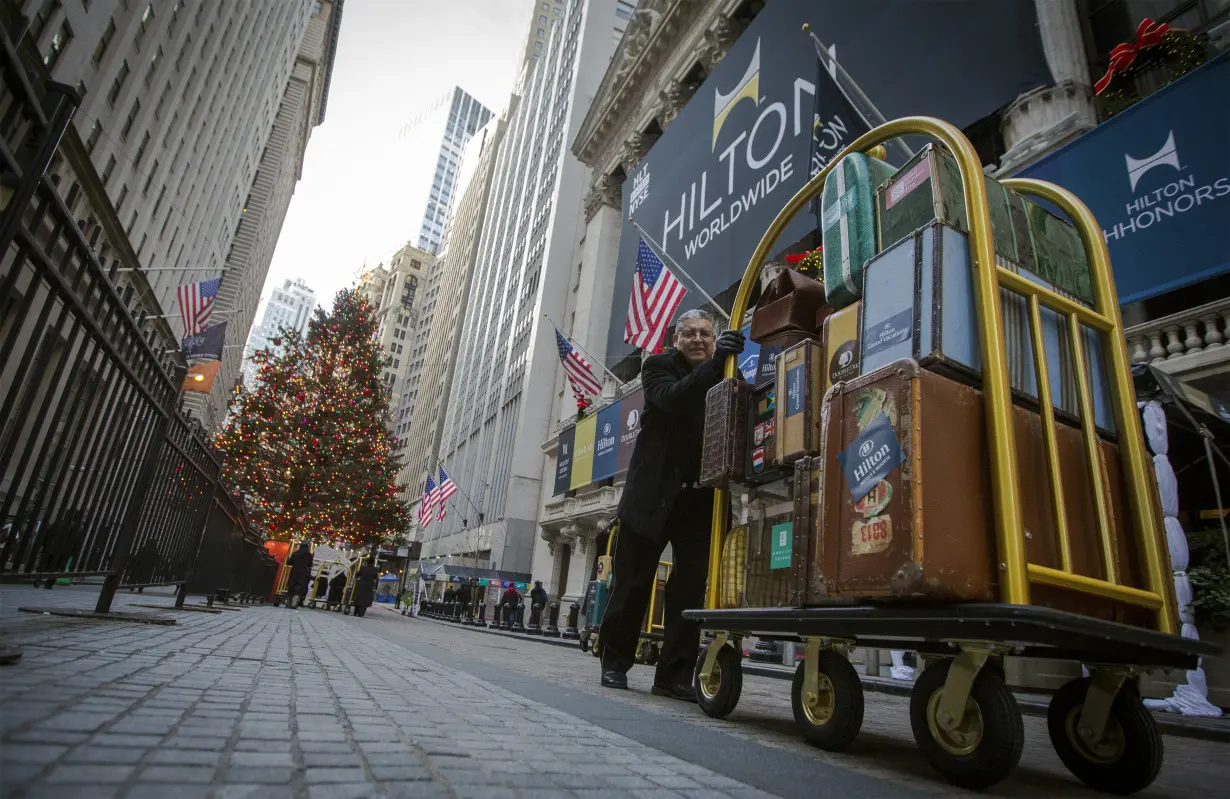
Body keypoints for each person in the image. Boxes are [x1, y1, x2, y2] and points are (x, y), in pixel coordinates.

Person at [599, 309, 744, 700]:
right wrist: (716, 363)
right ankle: (614, 663)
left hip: (701, 499)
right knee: (632, 584)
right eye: (690, 334)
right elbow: (674, 400)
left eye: (706, 334)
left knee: (690, 589)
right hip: (651, 497)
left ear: (715, 339)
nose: (698, 339)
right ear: (676, 340)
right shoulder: (659, 367)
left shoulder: (727, 372)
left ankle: (674, 676)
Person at [286, 542, 313, 609]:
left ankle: (288, 603)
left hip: (294, 571)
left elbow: (289, 562)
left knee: (291, 585)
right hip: (303, 572)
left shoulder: (295, 554)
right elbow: (310, 564)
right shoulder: (309, 555)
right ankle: (294, 603)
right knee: (299, 587)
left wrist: (288, 559)